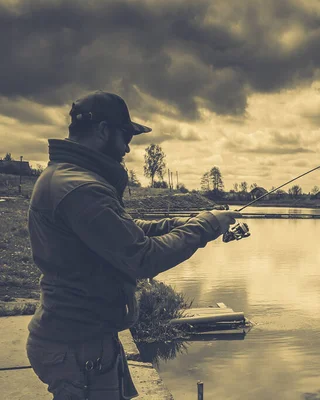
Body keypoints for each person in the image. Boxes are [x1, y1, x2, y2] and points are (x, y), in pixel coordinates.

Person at [26, 90, 241, 399]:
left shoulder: (70, 179)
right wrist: (206, 225)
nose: (128, 147)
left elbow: (123, 231)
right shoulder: (82, 189)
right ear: (103, 131)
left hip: (81, 338)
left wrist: (182, 224)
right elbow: (142, 257)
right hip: (78, 347)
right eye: (125, 136)